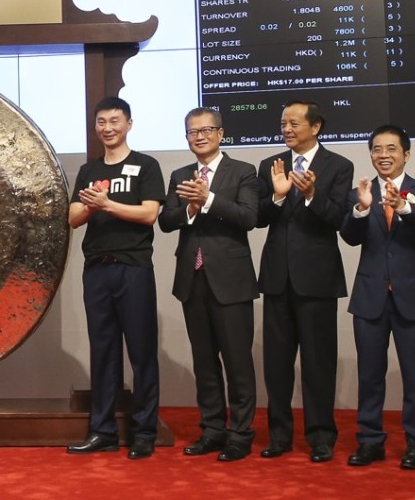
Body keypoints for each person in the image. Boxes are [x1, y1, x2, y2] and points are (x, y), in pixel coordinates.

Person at [158, 107, 259, 462]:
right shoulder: (180, 174)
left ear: (220, 133)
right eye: (191, 132)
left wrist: (209, 200)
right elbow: (166, 221)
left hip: (231, 281)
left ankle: (241, 433)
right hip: (192, 279)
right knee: (204, 362)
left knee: (237, 363)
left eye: (205, 130)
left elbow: (250, 217)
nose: (198, 137)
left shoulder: (243, 172)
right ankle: (212, 430)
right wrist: (188, 208)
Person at [66, 96, 164, 459]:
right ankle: (102, 430)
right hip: (97, 271)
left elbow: (149, 214)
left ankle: (144, 432)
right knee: (103, 352)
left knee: (141, 354)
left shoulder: (146, 165)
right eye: (101, 122)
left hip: (133, 269)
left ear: (129, 124)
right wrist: (91, 205)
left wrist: (107, 205)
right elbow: (73, 217)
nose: (108, 128)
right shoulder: (90, 170)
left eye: (115, 121)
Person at [256, 100, 353, 463]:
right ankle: (279, 436)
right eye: (283, 123)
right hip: (278, 278)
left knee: (318, 362)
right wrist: (278, 196)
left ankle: (321, 437)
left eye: (294, 123)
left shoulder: (338, 166)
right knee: (277, 364)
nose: (287, 129)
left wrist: (312, 195)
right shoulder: (270, 166)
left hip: (317, 279)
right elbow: (259, 218)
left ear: (316, 126)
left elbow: (339, 220)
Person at [340, 124, 415, 470]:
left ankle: (413, 444)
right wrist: (361, 209)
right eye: (376, 150)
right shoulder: (362, 191)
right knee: (370, 375)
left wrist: (404, 210)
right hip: (370, 297)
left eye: (391, 149)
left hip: (410, 297)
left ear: (406, 153)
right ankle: (370, 441)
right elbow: (351, 238)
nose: (383, 155)